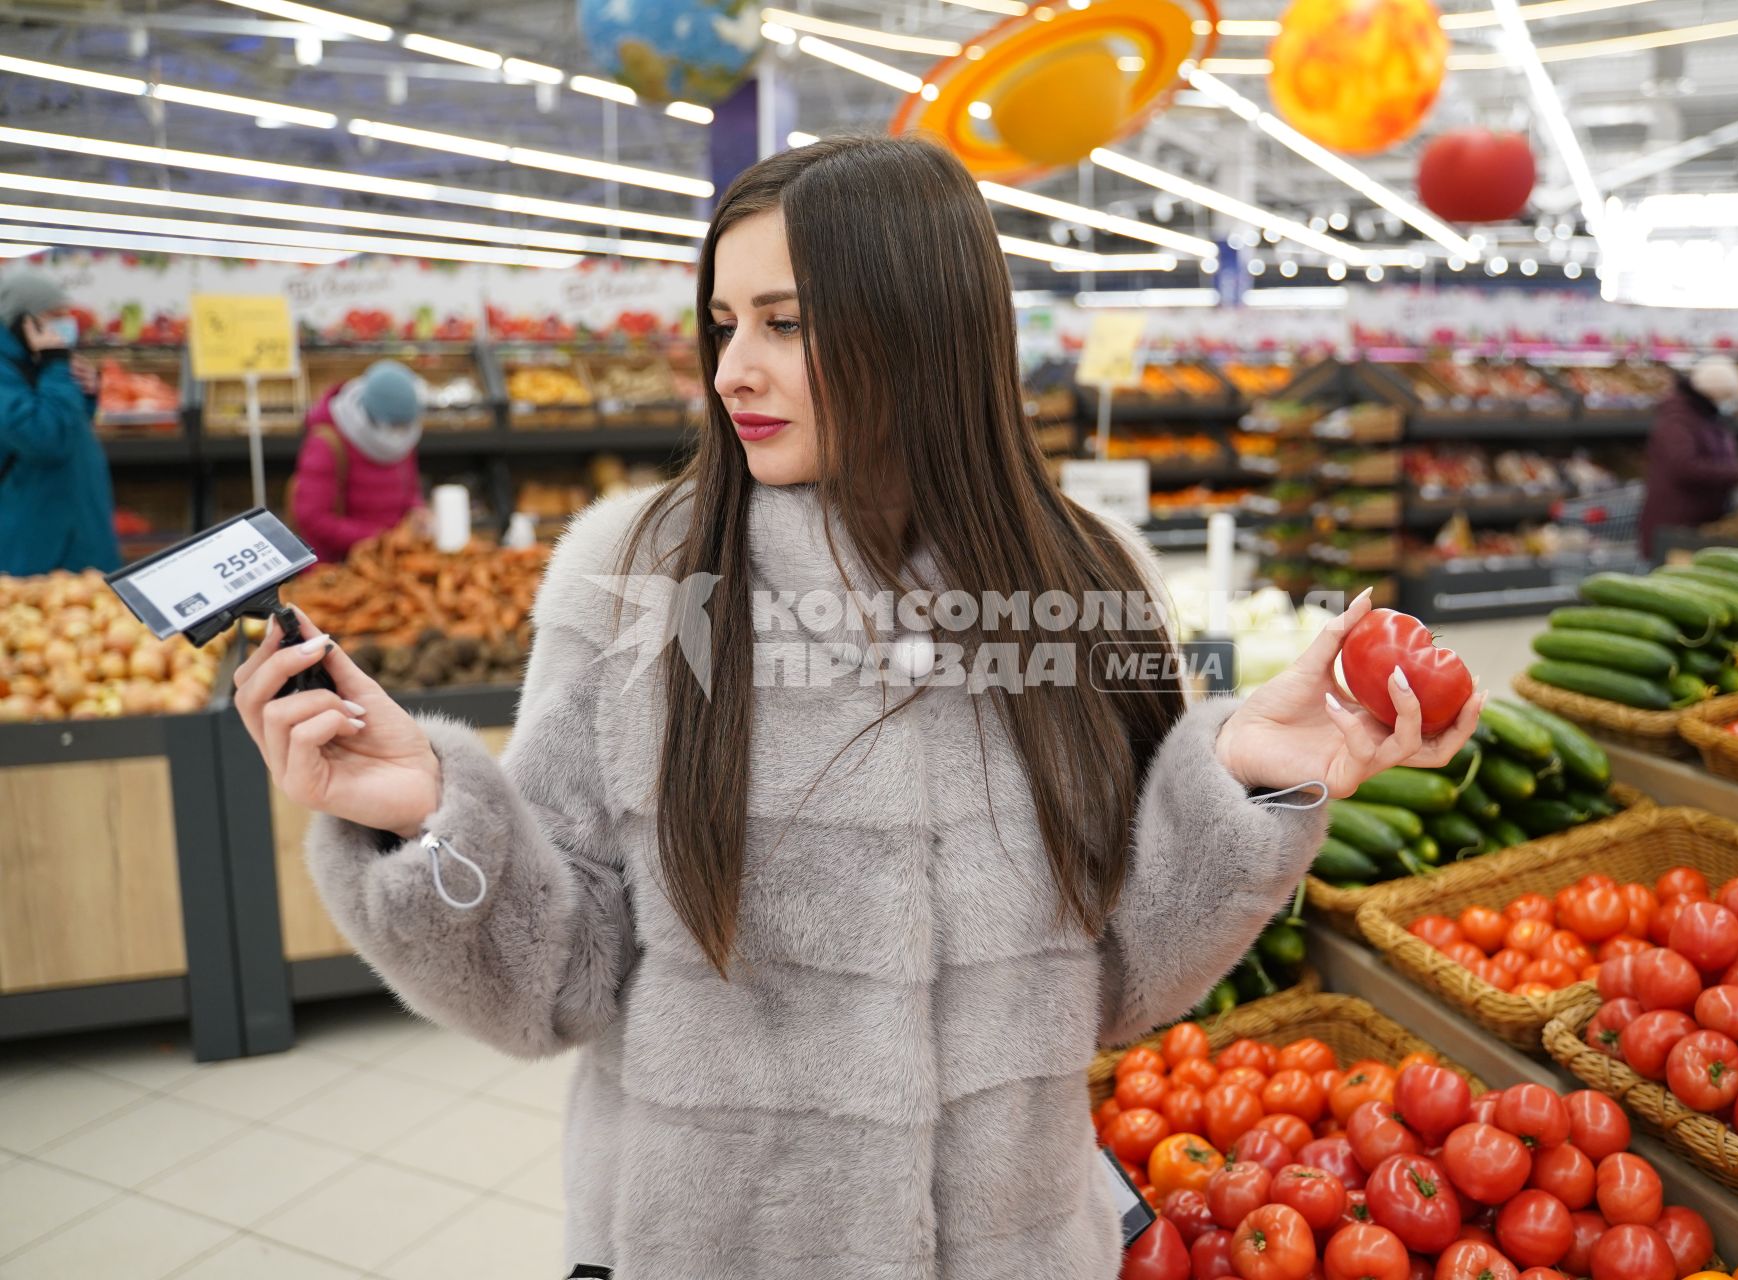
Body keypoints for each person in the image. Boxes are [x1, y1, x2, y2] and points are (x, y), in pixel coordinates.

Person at [233, 137, 1483, 1280]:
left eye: (786, 321)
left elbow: (1112, 979)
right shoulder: (642, 578)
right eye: (724, 321)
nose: (736, 368)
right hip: (706, 1242)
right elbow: (564, 975)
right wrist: (434, 820)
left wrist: (1249, 782)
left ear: (920, 326)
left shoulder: (1080, 580)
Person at [0, 267, 117, 575]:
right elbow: (45, 438)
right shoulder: (8, 372)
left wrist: (86, 392)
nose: (63, 325)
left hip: (77, 533)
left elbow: (69, 429)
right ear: (22, 321)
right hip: (34, 548)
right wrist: (56, 369)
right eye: (53, 316)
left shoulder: (35, 363)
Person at [290, 358, 427, 562]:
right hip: (338, 567)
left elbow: (409, 487)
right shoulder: (327, 443)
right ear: (374, 417)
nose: (399, 434)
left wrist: (417, 510)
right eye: (395, 426)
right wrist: (381, 538)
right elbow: (313, 519)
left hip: (393, 559)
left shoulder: (402, 439)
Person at [1638, 355, 1738, 557]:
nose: (1729, 402)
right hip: (1676, 525)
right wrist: (1737, 474)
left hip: (1698, 523)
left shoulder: (1707, 416)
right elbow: (1684, 466)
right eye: (1726, 396)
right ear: (1713, 394)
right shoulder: (1677, 419)